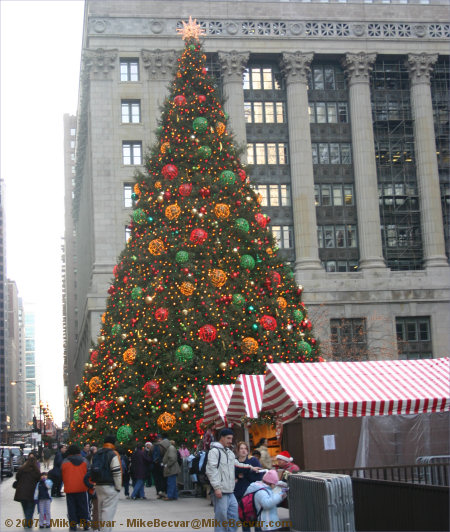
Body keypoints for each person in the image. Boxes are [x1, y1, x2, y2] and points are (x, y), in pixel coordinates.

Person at [206, 428, 259, 532]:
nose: (230, 441)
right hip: (221, 491)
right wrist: (217, 488)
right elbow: (211, 470)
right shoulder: (214, 452)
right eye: (228, 438)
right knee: (221, 519)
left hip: (230, 491)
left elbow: (236, 464)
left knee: (234, 517)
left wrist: (251, 467)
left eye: (231, 438)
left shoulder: (229, 452)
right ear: (221, 438)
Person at [94, 435, 122, 532]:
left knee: (101, 510)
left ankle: (101, 529)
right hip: (110, 486)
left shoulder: (97, 454)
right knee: (108, 512)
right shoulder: (113, 454)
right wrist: (118, 487)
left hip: (98, 486)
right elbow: (117, 472)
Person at [61, 444, 93, 531]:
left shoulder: (65, 462)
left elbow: (62, 475)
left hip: (69, 488)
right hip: (82, 488)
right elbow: (89, 474)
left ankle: (73, 525)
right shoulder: (84, 461)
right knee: (83, 507)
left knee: (71, 507)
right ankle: (85, 524)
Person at [234, 441, 262, 531]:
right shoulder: (235, 462)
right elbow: (232, 475)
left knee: (257, 518)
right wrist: (238, 476)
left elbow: (259, 475)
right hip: (239, 494)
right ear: (238, 451)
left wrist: (245, 473)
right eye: (241, 448)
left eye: (245, 448)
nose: (243, 451)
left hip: (253, 494)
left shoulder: (253, 460)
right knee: (244, 518)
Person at [14, 454, 41, 528]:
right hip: (31, 493)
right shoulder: (36, 471)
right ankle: (28, 522)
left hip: (21, 492)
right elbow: (39, 479)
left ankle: (27, 521)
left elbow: (17, 477)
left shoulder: (22, 469)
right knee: (30, 508)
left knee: (25, 508)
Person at [152, 434, 167, 499]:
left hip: (158, 464)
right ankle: (161, 491)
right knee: (161, 479)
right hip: (160, 464)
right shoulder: (162, 446)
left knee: (159, 479)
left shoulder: (155, 446)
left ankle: (160, 492)